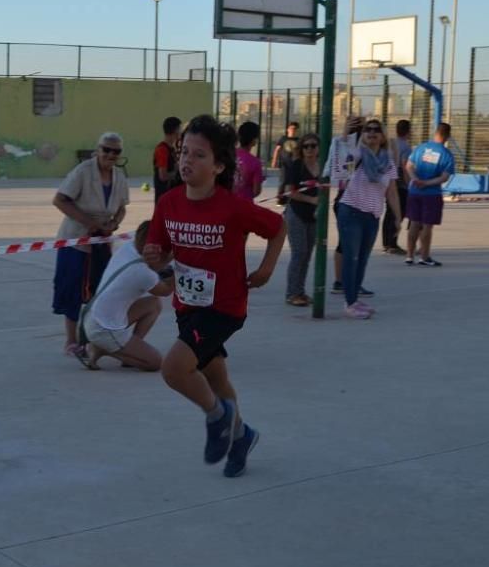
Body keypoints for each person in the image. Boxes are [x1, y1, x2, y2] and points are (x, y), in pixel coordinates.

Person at [143, 115, 286, 478]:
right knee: (217, 381)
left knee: (174, 368)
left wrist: (267, 269)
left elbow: (277, 227)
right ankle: (241, 436)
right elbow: (161, 251)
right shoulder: (170, 202)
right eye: (184, 152)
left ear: (219, 165)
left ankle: (217, 418)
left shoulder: (232, 206)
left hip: (224, 308)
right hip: (187, 306)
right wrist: (157, 258)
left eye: (199, 155)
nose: (187, 161)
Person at [52, 132, 129, 358]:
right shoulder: (83, 172)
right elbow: (59, 200)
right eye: (106, 149)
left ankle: (91, 338)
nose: (110, 155)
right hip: (76, 240)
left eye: (116, 152)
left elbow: (123, 206)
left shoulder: (119, 177)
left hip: (102, 241)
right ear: (98, 150)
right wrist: (89, 223)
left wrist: (114, 223)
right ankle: (71, 341)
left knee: (100, 290)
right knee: (72, 288)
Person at [77, 220, 173, 371]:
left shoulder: (127, 247)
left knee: (153, 304)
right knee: (155, 362)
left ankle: (126, 349)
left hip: (94, 317)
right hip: (104, 328)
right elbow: (166, 290)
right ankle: (100, 348)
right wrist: (181, 266)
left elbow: (155, 267)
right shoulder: (142, 272)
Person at [335, 119, 402, 319]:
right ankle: (349, 303)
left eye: (376, 130)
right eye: (367, 130)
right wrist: (346, 134)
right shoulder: (357, 154)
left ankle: (354, 298)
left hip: (372, 216)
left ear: (383, 136)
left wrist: (398, 217)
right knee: (351, 258)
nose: (372, 133)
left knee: (362, 260)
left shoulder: (387, 162)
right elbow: (343, 165)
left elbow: (392, 192)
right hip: (351, 211)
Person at [326, 116, 375, 299]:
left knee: (351, 245)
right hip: (347, 200)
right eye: (365, 129)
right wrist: (345, 133)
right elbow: (341, 160)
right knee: (348, 245)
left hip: (361, 201)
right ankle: (342, 282)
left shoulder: (367, 150)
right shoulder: (347, 149)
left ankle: (346, 281)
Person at [405, 123, 454, 267]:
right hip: (431, 194)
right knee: (427, 225)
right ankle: (424, 256)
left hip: (414, 192)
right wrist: (427, 183)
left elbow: (408, 166)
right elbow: (444, 177)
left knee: (414, 223)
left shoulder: (421, 148)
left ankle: (409, 255)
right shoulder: (446, 154)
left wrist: (415, 179)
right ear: (447, 136)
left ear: (436, 132)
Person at [283, 133, 321, 306]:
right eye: (306, 146)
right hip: (296, 213)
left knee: (307, 254)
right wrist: (311, 200)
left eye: (313, 146)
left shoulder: (322, 166)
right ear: (301, 148)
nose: (310, 150)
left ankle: (300, 291)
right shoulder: (297, 166)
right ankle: (292, 293)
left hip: (313, 215)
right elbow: (291, 192)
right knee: (299, 253)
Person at [382, 119, 412, 254]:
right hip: (399, 179)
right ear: (408, 132)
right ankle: (393, 243)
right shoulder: (406, 146)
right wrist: (408, 183)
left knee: (389, 212)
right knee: (398, 212)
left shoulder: (390, 143)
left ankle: (386, 243)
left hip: (388, 176)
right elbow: (405, 165)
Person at [153, 117, 182, 202]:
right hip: (163, 195)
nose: (181, 132)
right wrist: (179, 174)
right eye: (180, 129)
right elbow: (163, 176)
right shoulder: (162, 149)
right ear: (175, 130)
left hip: (170, 194)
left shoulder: (172, 148)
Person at [233, 122, 264, 202]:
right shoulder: (255, 162)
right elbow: (256, 191)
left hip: (226, 203)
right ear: (254, 140)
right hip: (245, 205)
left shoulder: (228, 155)